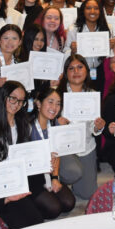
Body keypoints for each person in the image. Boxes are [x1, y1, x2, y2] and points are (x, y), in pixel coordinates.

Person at [54, 55, 106, 200]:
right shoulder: (57, 95)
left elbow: (92, 129)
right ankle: (61, 177)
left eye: (80, 67)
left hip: (86, 147)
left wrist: (97, 127)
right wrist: (58, 123)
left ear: (87, 70)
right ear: (65, 73)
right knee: (73, 172)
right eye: (71, 68)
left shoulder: (93, 95)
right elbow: (45, 124)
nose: (76, 71)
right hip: (64, 149)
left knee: (88, 193)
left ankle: (75, 177)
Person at [27, 87, 76, 218]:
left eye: (58, 103)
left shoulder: (55, 125)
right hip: (33, 177)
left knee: (69, 203)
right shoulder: (26, 127)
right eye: (50, 102)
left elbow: (57, 154)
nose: (54, 107)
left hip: (49, 173)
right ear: (38, 103)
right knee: (54, 209)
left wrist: (55, 178)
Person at [66, 0, 110, 94]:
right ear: (83, 11)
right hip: (79, 72)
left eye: (96, 8)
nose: (92, 11)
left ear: (100, 11)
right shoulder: (73, 29)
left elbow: (109, 55)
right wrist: (72, 51)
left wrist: (111, 46)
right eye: (88, 8)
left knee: (96, 101)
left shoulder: (106, 28)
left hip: (98, 71)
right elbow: (65, 52)